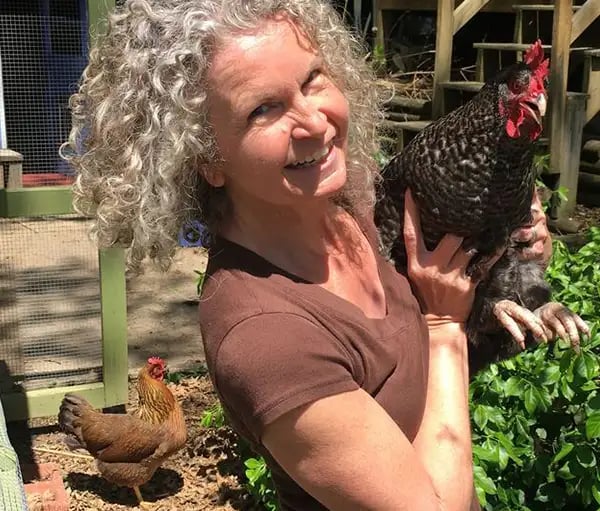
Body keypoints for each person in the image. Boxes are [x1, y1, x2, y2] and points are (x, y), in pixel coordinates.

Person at [62, 1, 585, 509]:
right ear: (206, 158)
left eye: (313, 79)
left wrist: (518, 259)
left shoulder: (358, 202)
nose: (315, 122)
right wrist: (444, 324)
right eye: (263, 108)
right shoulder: (265, 336)